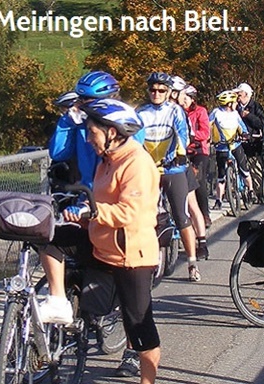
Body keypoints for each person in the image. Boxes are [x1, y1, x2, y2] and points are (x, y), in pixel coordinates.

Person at [50, 99, 163, 384]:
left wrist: (93, 211)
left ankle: (147, 381)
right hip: (101, 244)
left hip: (131, 255)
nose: (88, 139)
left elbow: (132, 212)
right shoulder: (106, 161)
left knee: (139, 327)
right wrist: (83, 219)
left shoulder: (136, 162)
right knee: (50, 237)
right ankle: (58, 302)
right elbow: (100, 204)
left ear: (112, 132)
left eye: (92, 132)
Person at [137, 72, 204, 281]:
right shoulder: (140, 112)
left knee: (181, 216)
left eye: (161, 90)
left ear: (168, 92)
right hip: (149, 169)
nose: (156, 94)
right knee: (144, 216)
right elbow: (134, 137)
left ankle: (192, 263)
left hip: (173, 169)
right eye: (152, 90)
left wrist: (180, 154)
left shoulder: (175, 111)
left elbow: (182, 134)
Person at [179, 85, 214, 257]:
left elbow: (205, 132)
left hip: (199, 150)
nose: (184, 100)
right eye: (182, 97)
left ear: (193, 98)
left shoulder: (200, 111)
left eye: (186, 98)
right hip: (184, 151)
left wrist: (192, 136)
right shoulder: (178, 112)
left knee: (198, 181)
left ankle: (205, 214)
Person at [209, 90, 251, 211]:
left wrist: (245, 134)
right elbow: (208, 125)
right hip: (221, 146)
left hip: (235, 145)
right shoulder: (216, 113)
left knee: (244, 170)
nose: (236, 104)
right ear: (229, 104)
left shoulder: (235, 114)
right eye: (234, 102)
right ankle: (219, 200)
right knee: (221, 175)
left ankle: (251, 191)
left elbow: (242, 127)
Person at [235, 83, 264, 203]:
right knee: (241, 167)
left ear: (246, 94)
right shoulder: (234, 107)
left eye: (239, 94)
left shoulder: (255, 106)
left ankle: (259, 194)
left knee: (255, 169)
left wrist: (248, 115)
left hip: (254, 142)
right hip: (239, 141)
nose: (237, 97)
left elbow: (261, 122)